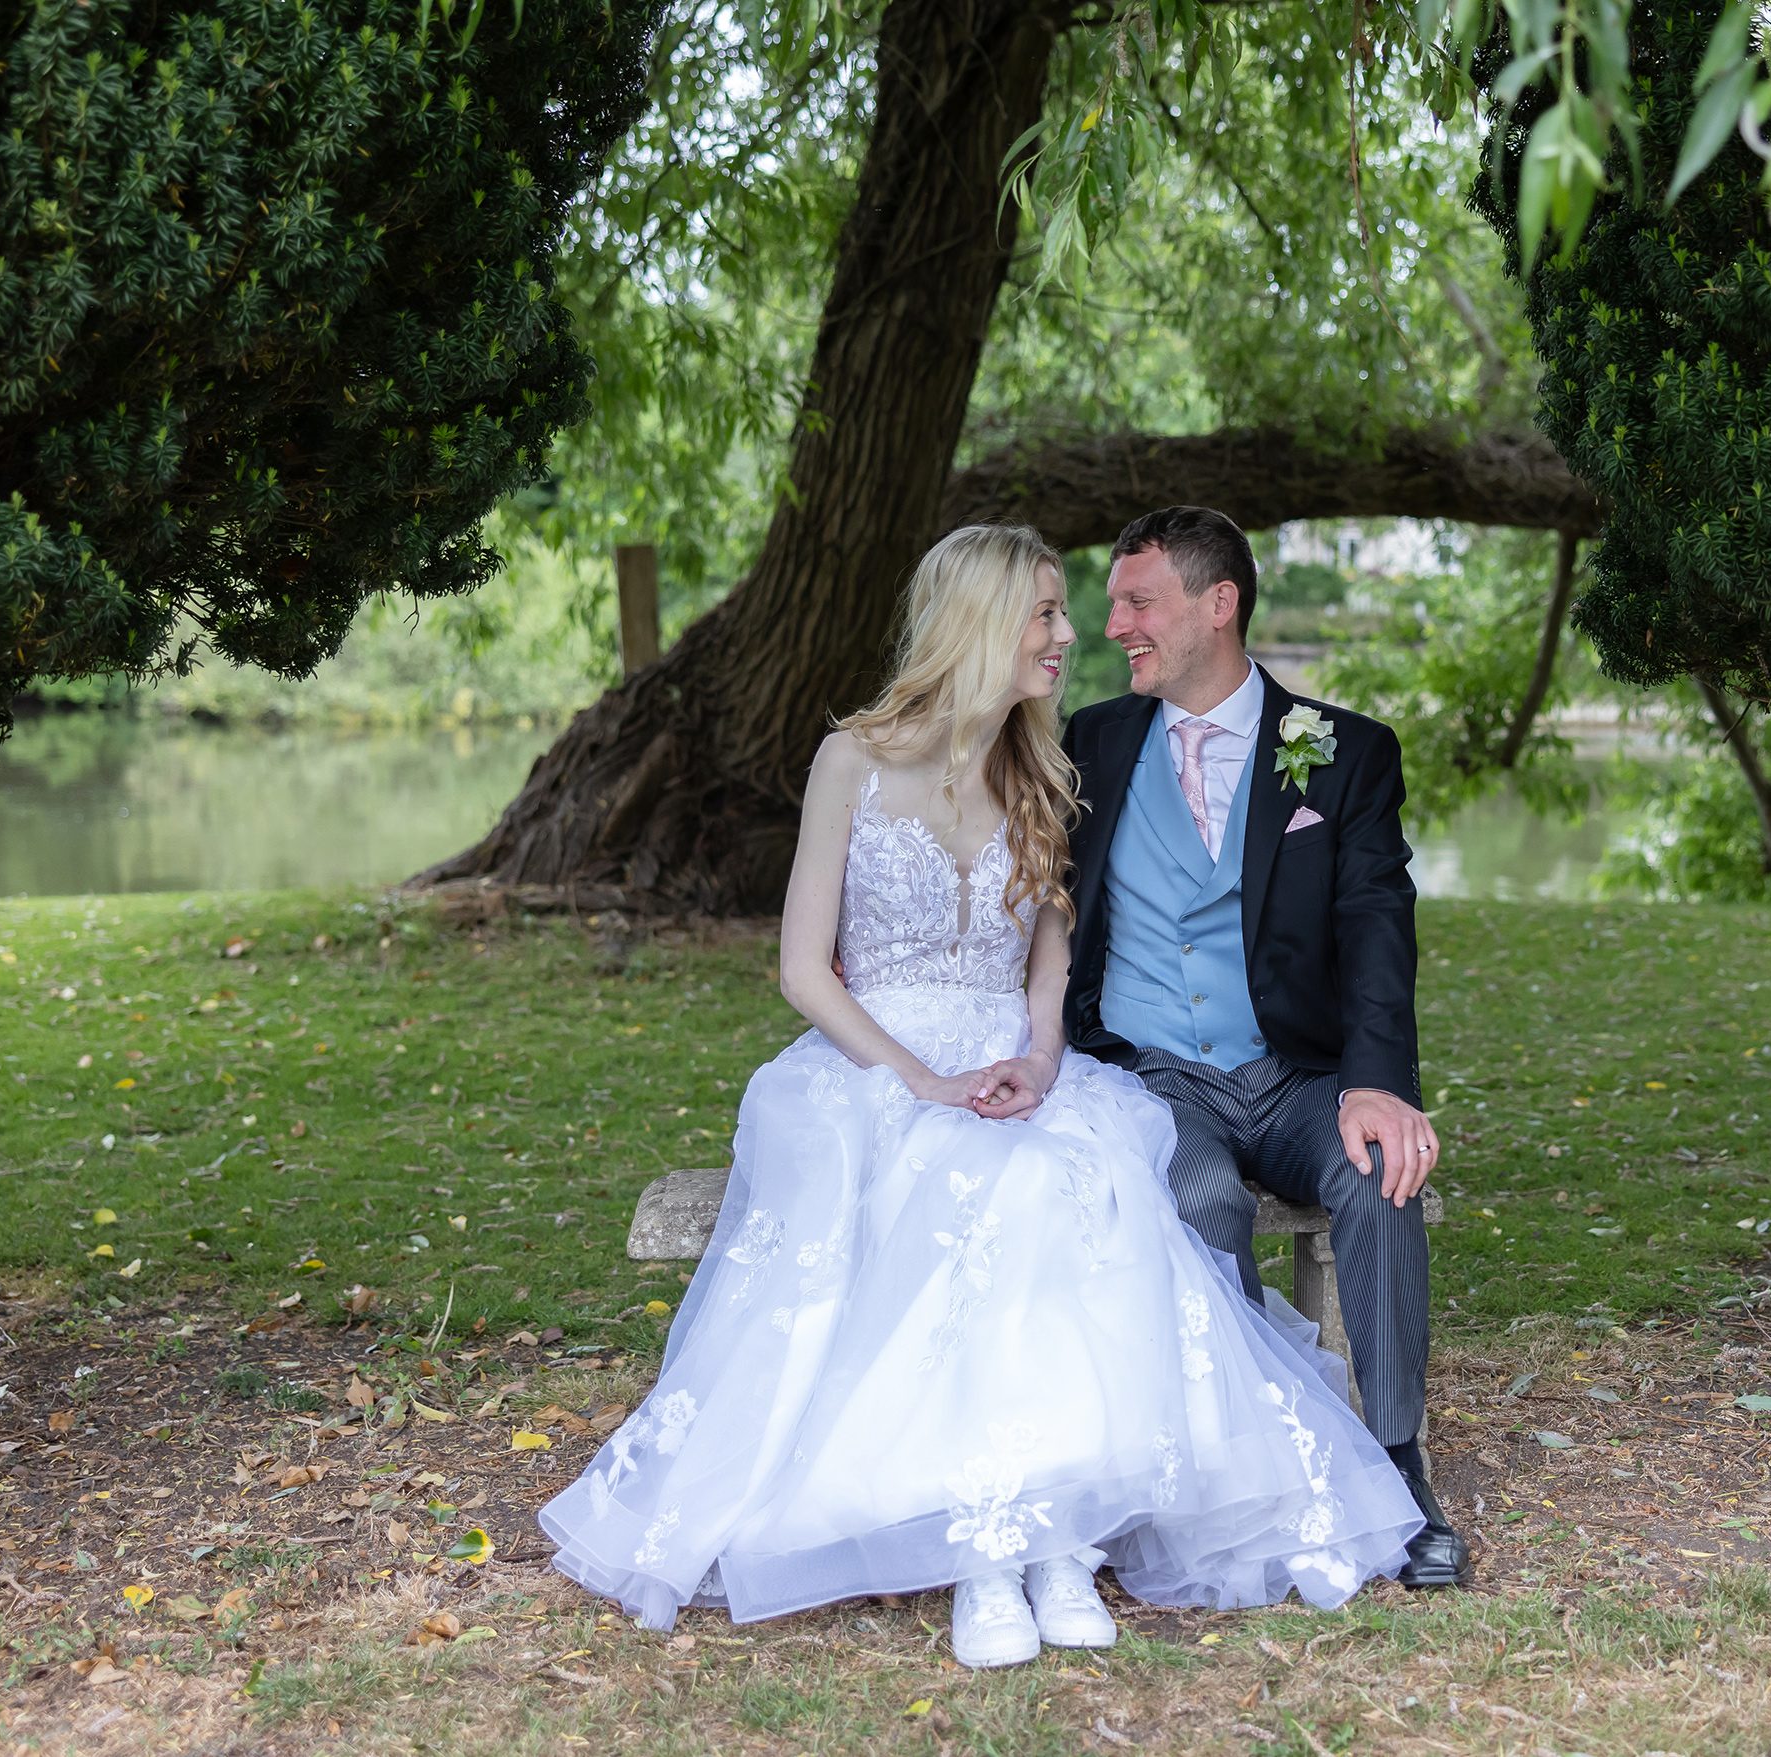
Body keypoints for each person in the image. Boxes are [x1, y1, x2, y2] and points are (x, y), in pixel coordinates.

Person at [539, 523, 1423, 1670]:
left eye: (1082, 610)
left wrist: (1043, 1060)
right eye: (1050, 614)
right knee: (966, 1186)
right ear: (981, 622)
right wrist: (916, 1079)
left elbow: (1050, 956)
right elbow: (804, 968)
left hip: (1016, 1057)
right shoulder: (851, 759)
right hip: (873, 1065)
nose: (1076, 636)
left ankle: (1052, 1530)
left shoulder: (1044, 764)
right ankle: (983, 1551)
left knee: (1076, 1182)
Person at [1037, 504, 1469, 1589]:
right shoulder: (1086, 739)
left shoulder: (1345, 753)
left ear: (1216, 604)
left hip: (1296, 1075)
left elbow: (1376, 921)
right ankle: (1240, 1465)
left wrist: (1376, 1083)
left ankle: (1397, 1459)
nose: (1113, 621)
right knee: (1201, 1200)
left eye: (1138, 600)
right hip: (1148, 1072)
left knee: (1380, 1175)